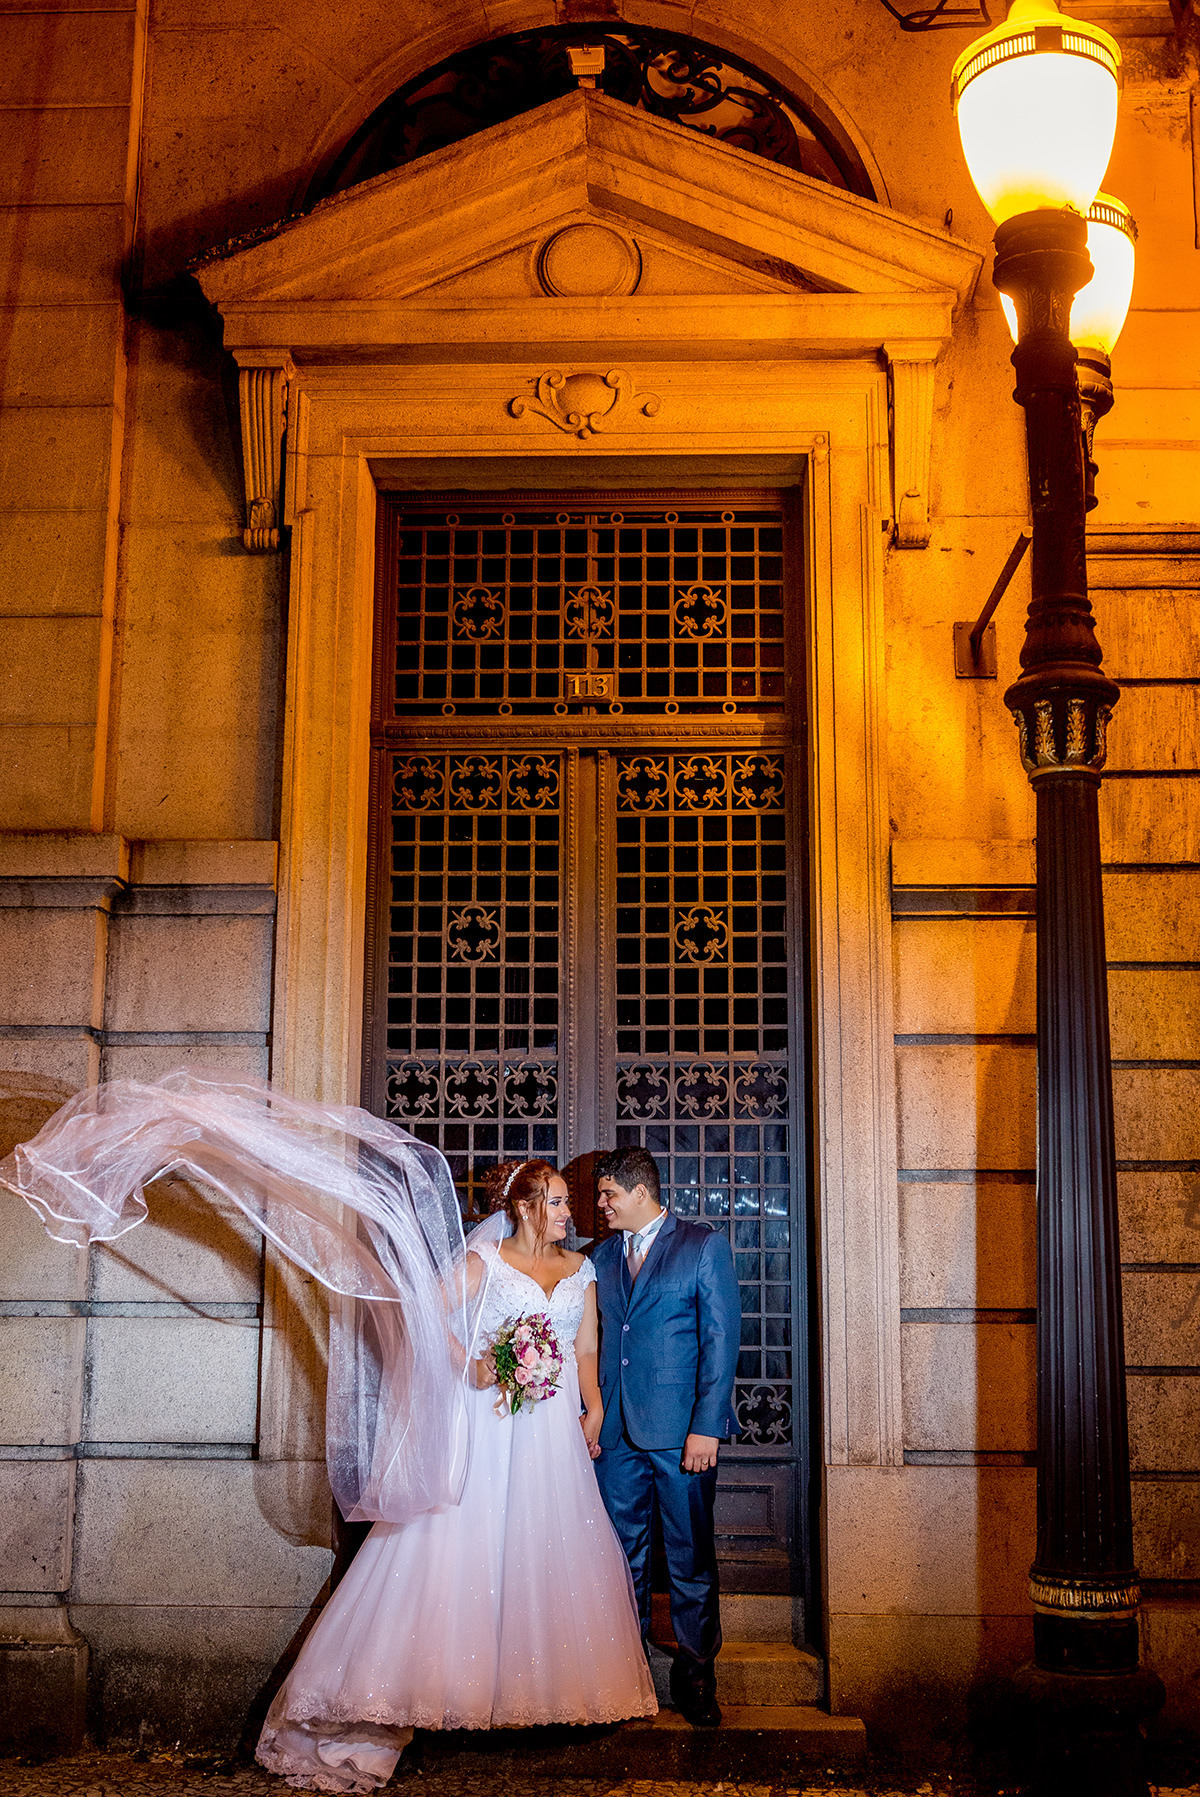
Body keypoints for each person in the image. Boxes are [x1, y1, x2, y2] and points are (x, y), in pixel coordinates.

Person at [1, 1078, 655, 1794]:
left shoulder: (582, 1270)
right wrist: (473, 1362)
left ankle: (540, 1690)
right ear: (526, 1207)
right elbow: (424, 1317)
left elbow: (585, 1346)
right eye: (558, 1201)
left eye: (567, 1202)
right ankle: (405, 1696)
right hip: (492, 1422)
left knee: (545, 1547)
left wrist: (593, 1408)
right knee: (458, 1551)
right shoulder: (485, 1263)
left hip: (553, 1430)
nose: (570, 1212)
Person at [590, 1145, 741, 1730]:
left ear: (640, 1192)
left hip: (683, 1436)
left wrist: (706, 1425)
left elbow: (720, 1340)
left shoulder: (702, 1246)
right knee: (616, 1557)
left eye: (608, 1194)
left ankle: (696, 1676)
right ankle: (622, 1675)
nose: (601, 1204)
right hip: (616, 1437)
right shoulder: (600, 1257)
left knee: (689, 1556)